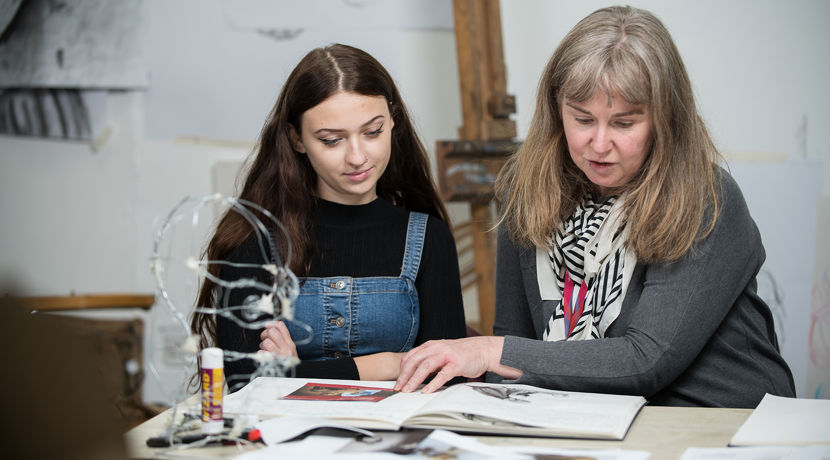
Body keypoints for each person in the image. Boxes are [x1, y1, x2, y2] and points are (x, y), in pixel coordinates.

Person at [394, 6, 795, 408]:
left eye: (624, 123)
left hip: (721, 417)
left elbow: (646, 360)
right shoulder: (526, 186)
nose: (600, 145)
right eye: (583, 119)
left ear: (664, 120)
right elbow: (513, 342)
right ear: (557, 110)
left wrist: (489, 351)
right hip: (585, 412)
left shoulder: (706, 196)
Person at [191, 44, 466, 390]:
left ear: (393, 121)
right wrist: (388, 363)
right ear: (297, 139)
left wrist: (294, 372)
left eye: (373, 132)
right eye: (332, 140)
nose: (357, 157)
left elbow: (446, 376)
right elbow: (243, 382)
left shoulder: (430, 239)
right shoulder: (254, 241)